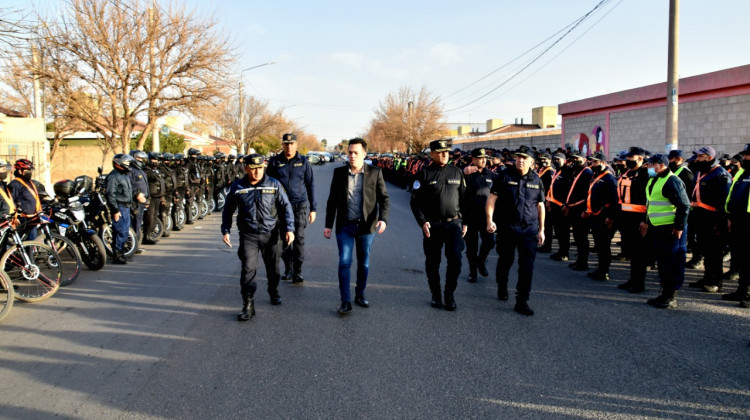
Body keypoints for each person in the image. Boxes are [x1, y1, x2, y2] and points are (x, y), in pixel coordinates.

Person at [222, 154, 295, 321]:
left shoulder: (274, 184)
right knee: (248, 269)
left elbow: (286, 207)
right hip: (249, 235)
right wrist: (225, 230)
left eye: (260, 168)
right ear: (246, 168)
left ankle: (273, 290)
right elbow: (228, 210)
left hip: (271, 233)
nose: (257, 172)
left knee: (273, 268)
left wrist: (289, 229)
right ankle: (248, 304)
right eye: (253, 169)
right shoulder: (238, 186)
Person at [323, 138, 390, 316]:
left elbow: (384, 199)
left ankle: (360, 294)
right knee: (344, 262)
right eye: (350, 152)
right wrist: (328, 225)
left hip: (366, 227)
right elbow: (332, 201)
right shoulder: (339, 173)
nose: (352, 156)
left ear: (364, 154)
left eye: (356, 153)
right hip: (345, 225)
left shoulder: (375, 173)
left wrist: (383, 219)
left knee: (364, 263)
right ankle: (345, 301)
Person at [486, 146, 545, 316]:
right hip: (507, 228)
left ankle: (522, 301)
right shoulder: (504, 176)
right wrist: (490, 220)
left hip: (529, 230)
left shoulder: (537, 180)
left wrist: (542, 230)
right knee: (506, 260)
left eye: (524, 158)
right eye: (518, 157)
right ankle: (502, 286)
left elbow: (540, 206)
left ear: (531, 162)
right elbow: (491, 199)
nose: (520, 160)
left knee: (527, 266)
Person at [410, 139, 467, 311]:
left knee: (456, 260)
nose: (444, 154)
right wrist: (422, 222)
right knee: (433, 262)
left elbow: (465, 199)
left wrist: (465, 221)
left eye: (446, 152)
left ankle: (449, 294)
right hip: (433, 225)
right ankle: (436, 294)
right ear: (432, 154)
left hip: (454, 224)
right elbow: (415, 203)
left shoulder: (457, 172)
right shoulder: (424, 174)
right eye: (440, 152)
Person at [640, 154, 691, 308]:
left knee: (672, 262)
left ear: (661, 165)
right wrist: (647, 222)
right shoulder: (654, 180)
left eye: (651, 165)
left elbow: (684, 205)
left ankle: (671, 296)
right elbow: (652, 204)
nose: (648, 168)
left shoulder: (672, 180)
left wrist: (679, 227)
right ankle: (664, 293)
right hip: (657, 227)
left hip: (671, 229)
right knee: (663, 262)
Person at [266, 133, 317, 285]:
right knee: (283, 240)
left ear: (296, 145)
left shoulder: (303, 162)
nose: (289, 146)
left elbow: (310, 184)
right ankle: (288, 268)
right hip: (280, 206)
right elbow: (267, 184)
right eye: (286, 144)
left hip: (299, 205)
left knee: (299, 238)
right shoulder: (275, 161)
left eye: (292, 144)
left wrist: (313, 208)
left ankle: (298, 272)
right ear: (282, 145)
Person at [687, 146, 731, 293]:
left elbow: (724, 201)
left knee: (715, 252)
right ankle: (707, 277)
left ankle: (715, 281)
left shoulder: (720, 174)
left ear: (709, 157)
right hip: (700, 218)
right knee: (705, 249)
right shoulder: (701, 172)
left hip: (713, 219)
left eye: (700, 157)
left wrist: (720, 222)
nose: (697, 159)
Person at [616, 146, 651, 293]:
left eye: (632, 158)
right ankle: (632, 279)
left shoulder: (646, 174)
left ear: (641, 159)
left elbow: (650, 199)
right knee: (631, 252)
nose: (628, 160)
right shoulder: (628, 173)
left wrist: (646, 220)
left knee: (639, 253)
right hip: (626, 218)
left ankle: (639, 283)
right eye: (628, 158)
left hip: (639, 219)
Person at [582, 152, 619, 281]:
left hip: (604, 218)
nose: (593, 165)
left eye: (596, 162)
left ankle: (604, 271)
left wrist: (610, 218)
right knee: (598, 244)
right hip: (594, 216)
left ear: (603, 163)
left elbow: (615, 201)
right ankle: (600, 269)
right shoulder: (596, 176)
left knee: (604, 245)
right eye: (592, 162)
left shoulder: (609, 179)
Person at [462, 148, 497, 282]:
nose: (483, 160)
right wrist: (463, 173)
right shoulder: (466, 174)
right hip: (470, 215)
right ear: (473, 159)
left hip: (486, 216)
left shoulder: (492, 175)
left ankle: (481, 261)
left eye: (484, 158)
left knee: (490, 241)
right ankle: (473, 272)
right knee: (472, 246)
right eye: (480, 158)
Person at [723, 143, 750, 307]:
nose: (745, 158)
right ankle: (742, 290)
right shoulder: (741, 173)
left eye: (748, 155)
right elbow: (732, 196)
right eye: (745, 155)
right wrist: (729, 215)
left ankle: (747, 294)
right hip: (739, 221)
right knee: (741, 258)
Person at [105, 154, 135, 264]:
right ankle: (117, 255)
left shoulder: (124, 175)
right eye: (127, 163)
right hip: (120, 207)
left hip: (126, 206)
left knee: (125, 231)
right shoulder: (113, 176)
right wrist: (115, 210)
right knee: (120, 231)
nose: (128, 165)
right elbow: (110, 195)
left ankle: (121, 253)